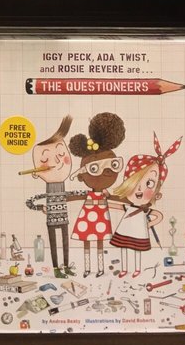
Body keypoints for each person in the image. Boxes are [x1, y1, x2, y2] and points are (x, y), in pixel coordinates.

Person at [109, 134, 182, 277]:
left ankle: (137, 269)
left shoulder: (145, 209)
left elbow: (158, 216)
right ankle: (124, 269)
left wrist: (147, 225)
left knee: (137, 249)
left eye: (149, 183)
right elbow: (115, 206)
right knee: (123, 248)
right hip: (125, 230)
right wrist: (103, 201)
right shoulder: (130, 206)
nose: (140, 190)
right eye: (136, 183)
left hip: (138, 232)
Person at [24, 116, 85, 278]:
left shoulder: (62, 189)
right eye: (45, 159)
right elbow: (29, 202)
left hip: (64, 218)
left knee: (65, 243)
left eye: (61, 153)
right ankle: (56, 269)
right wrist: (41, 207)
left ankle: (66, 266)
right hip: (51, 219)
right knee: (53, 244)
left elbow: (73, 194)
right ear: (36, 173)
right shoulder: (46, 192)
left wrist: (89, 194)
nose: (57, 161)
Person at [69, 112, 126, 277]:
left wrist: (134, 201)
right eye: (94, 169)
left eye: (113, 165)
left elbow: (118, 198)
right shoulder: (88, 193)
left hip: (100, 217)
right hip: (87, 217)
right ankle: (87, 268)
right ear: (81, 175)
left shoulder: (105, 194)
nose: (106, 171)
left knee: (100, 242)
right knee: (87, 242)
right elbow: (74, 196)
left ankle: (100, 269)